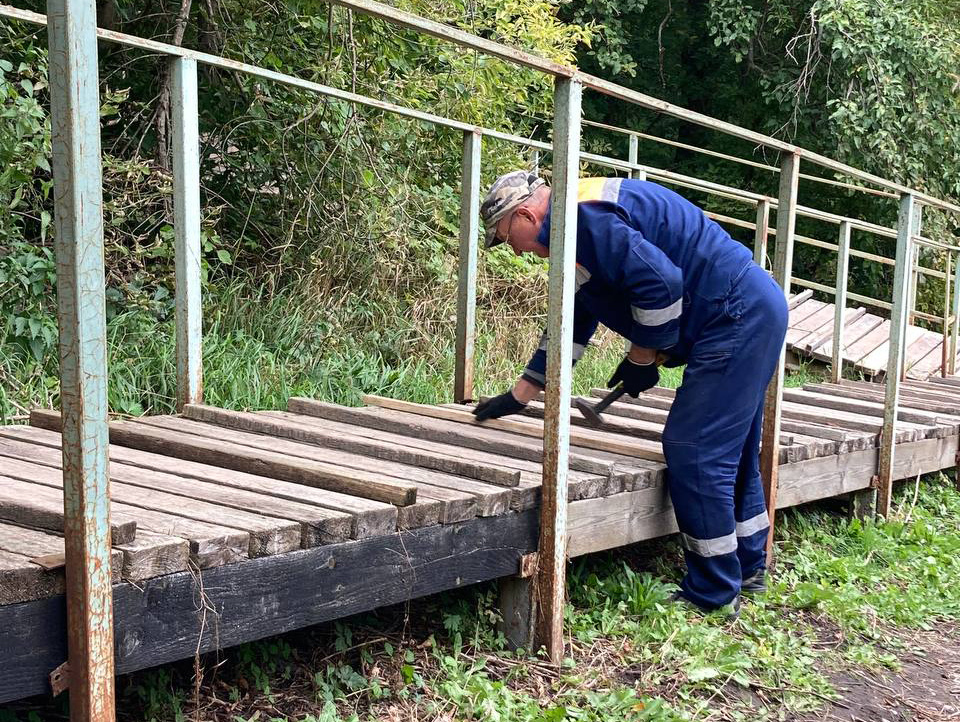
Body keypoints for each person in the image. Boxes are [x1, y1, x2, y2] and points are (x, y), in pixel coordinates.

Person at [473, 170, 788, 618]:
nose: (517, 250)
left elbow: (661, 283)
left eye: (508, 238)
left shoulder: (582, 219)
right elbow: (576, 317)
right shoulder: (573, 223)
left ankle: (714, 592)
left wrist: (642, 357)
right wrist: (523, 391)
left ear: (525, 214)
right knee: (729, 449)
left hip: (735, 316)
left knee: (695, 449)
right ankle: (749, 567)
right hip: (744, 311)